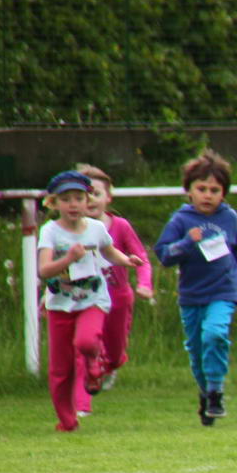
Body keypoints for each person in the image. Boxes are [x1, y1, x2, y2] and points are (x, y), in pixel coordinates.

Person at [36, 171, 143, 432]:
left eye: (79, 198)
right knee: (61, 369)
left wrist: (127, 260)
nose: (73, 204)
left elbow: (109, 251)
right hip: (61, 304)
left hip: (92, 299)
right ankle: (67, 420)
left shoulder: (96, 229)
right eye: (66, 199)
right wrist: (68, 259)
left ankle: (95, 364)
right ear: (54, 203)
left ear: (87, 201)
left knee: (86, 341)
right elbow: (44, 270)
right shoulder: (50, 232)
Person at [154, 150, 237, 426]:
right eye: (202, 189)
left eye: (215, 190)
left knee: (215, 334)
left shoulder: (229, 218)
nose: (208, 195)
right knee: (197, 352)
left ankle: (216, 391)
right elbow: (164, 255)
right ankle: (206, 393)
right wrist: (187, 242)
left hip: (223, 291)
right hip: (192, 295)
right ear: (189, 191)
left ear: (224, 193)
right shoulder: (181, 220)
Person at [78, 165, 154, 393]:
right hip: (86, 297)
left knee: (115, 348)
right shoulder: (71, 230)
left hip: (118, 298)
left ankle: (110, 364)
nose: (90, 199)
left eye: (96, 193)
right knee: (88, 338)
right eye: (84, 195)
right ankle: (91, 371)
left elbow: (141, 257)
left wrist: (144, 284)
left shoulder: (120, 227)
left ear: (108, 197)